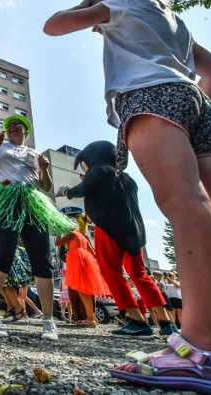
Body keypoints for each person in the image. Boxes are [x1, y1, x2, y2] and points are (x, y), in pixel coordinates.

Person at [44, 0, 211, 391]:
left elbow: (53, 26)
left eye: (100, 29)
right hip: (194, 100)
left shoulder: (123, 4)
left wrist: (87, 8)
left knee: (186, 203)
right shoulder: (174, 20)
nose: (100, 31)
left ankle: (206, 347)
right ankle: (208, 341)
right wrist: (187, 105)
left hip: (150, 97)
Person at [56, 140, 178, 338]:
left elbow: (83, 189)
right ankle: (166, 322)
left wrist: (67, 192)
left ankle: (137, 320)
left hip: (110, 228)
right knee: (139, 274)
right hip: (134, 232)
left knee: (111, 272)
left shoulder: (98, 171)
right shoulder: (128, 178)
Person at [0, 114, 76, 339]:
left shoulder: (34, 153)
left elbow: (45, 186)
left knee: (41, 258)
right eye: (9, 126)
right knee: (4, 254)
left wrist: (44, 169)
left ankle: (49, 321)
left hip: (32, 202)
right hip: (4, 200)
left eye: (17, 125)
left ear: (25, 131)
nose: (12, 128)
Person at [56, 230, 110, 328]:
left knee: (82, 291)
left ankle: (91, 320)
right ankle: (92, 317)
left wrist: (59, 232)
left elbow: (57, 243)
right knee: (86, 291)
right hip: (86, 261)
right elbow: (93, 253)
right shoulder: (83, 236)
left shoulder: (71, 234)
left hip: (76, 261)